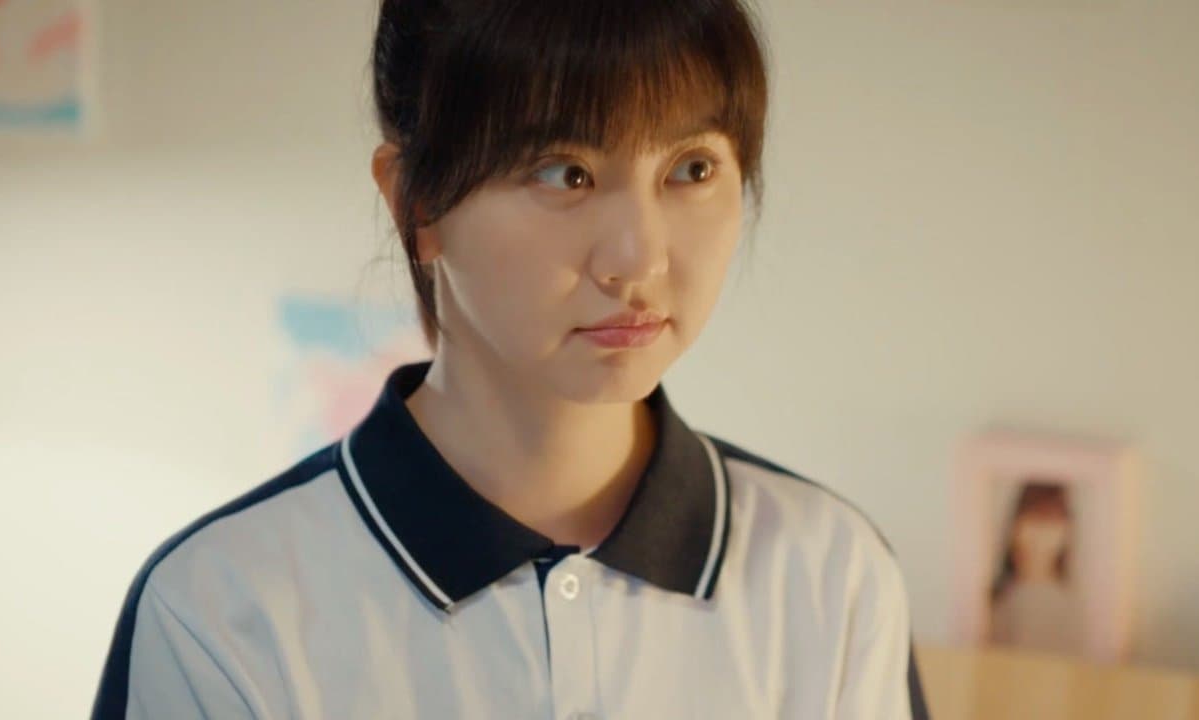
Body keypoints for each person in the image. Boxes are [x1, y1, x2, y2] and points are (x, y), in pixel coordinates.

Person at [91, 1, 930, 717]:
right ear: (417, 203)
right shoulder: (222, 610)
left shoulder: (830, 575)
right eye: (566, 174)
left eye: (692, 168)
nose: (638, 259)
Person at [988, 480, 1084, 654]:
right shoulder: (999, 598)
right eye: (1033, 519)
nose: (1039, 533)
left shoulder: (1067, 607)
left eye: (1050, 521)